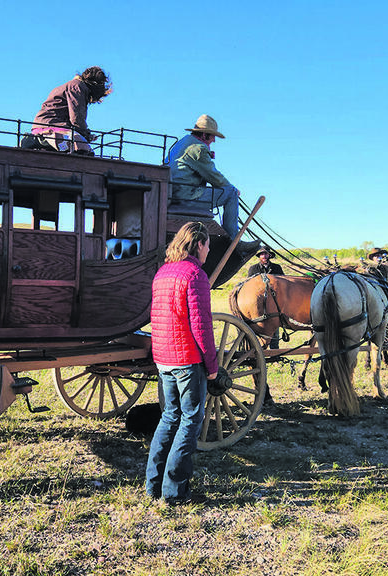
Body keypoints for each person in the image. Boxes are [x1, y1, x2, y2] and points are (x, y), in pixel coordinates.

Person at [146, 222, 218, 504]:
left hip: (163, 358)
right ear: (199, 243)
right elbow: (202, 327)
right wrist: (212, 367)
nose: (208, 250)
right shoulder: (195, 275)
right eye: (208, 245)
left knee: (169, 417)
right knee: (190, 420)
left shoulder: (163, 272)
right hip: (187, 360)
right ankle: (175, 492)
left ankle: (153, 485)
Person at [165, 115, 254, 246]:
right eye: (212, 136)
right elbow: (214, 177)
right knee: (231, 193)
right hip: (186, 197)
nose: (214, 140)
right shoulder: (198, 148)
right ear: (204, 135)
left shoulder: (183, 142)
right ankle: (234, 242)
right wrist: (234, 189)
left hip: (175, 194)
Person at [30, 66, 112, 155]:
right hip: (52, 127)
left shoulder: (71, 85)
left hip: (41, 126)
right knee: (83, 149)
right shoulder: (77, 86)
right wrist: (86, 135)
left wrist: (86, 134)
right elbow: (77, 117)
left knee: (79, 143)